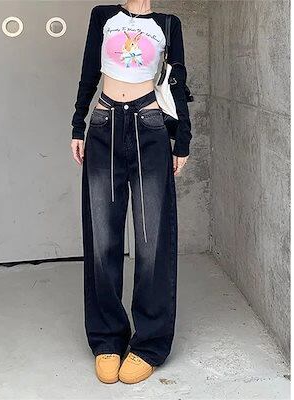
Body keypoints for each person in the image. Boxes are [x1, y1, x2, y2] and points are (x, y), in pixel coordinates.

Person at [70, 0, 192, 384]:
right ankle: (107, 337)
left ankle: (149, 344)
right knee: (103, 239)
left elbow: (177, 81)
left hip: (149, 126)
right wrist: (78, 124)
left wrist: (182, 139)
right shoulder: (103, 16)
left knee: (152, 241)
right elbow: (89, 71)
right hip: (104, 123)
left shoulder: (168, 24)